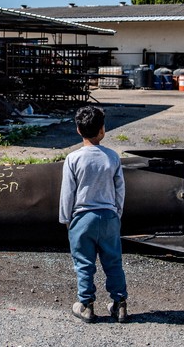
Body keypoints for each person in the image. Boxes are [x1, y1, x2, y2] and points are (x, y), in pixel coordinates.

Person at [59, 105, 128, 323]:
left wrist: (66, 219)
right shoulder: (112, 157)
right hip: (108, 216)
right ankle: (119, 305)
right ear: (102, 131)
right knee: (113, 262)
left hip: (82, 218)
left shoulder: (73, 158)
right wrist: (117, 214)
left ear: (78, 130)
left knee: (84, 264)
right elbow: (120, 190)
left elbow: (67, 192)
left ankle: (86, 305)